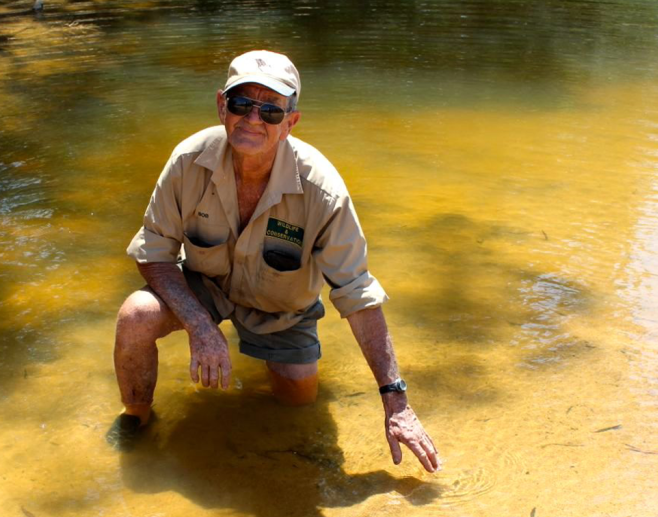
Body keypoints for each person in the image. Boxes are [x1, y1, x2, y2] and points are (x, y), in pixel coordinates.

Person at [113, 50, 440, 473]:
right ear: (220, 106)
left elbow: (357, 293)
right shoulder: (186, 161)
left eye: (271, 110)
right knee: (135, 315)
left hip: (283, 310)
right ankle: (136, 416)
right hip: (206, 288)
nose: (253, 119)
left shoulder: (323, 190)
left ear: (291, 122)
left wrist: (395, 400)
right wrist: (200, 325)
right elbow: (154, 256)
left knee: (297, 410)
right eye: (241, 104)